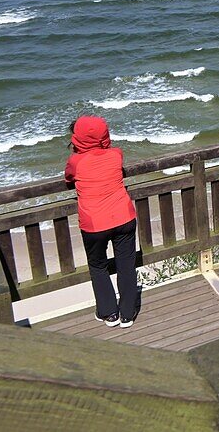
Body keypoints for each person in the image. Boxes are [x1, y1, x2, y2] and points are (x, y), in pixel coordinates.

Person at [65, 115, 138, 328]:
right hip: (124, 216)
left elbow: (69, 178)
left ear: (76, 138)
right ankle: (127, 313)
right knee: (126, 263)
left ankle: (108, 312)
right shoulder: (116, 155)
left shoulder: (76, 162)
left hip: (94, 223)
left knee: (98, 265)